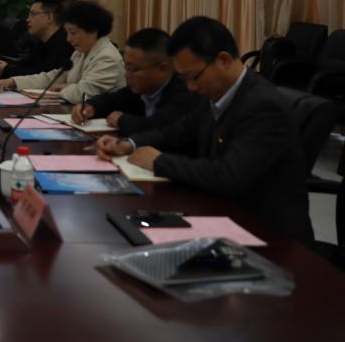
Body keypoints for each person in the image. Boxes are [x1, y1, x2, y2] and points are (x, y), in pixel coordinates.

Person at [95, 16, 312, 242]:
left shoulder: (263, 106)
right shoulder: (215, 95)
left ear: (223, 60)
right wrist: (128, 145)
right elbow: (175, 133)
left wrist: (159, 161)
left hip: (268, 234)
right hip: (220, 215)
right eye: (184, 79)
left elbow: (228, 175)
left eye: (194, 77)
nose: (190, 87)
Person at [0, 0, 124, 103]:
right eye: (67, 32)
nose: (68, 39)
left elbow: (83, 93)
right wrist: (11, 81)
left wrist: (66, 88)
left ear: (93, 31)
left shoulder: (107, 57)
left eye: (73, 33)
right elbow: (52, 77)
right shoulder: (81, 52)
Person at [71, 28, 197, 133]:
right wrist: (90, 106)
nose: (127, 75)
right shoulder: (140, 90)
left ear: (162, 68)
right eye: (127, 67)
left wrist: (122, 120)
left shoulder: (185, 92)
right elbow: (112, 100)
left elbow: (160, 126)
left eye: (134, 69)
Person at [0, 0, 72, 77]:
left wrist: (7, 70)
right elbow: (26, 65)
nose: (27, 20)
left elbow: (42, 75)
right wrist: (3, 65)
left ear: (49, 17)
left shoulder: (65, 43)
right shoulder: (41, 42)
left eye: (33, 14)